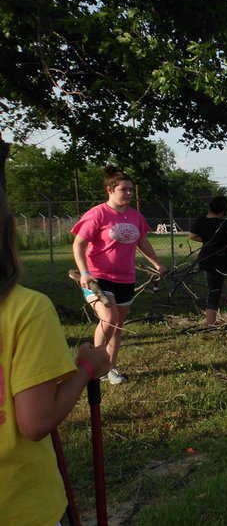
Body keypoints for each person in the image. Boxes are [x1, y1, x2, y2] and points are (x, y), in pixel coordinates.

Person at [1, 188, 111, 526]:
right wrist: (86, 368)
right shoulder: (26, 309)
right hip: (18, 504)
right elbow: (36, 422)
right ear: (11, 229)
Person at [71, 166, 168, 384]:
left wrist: (158, 265)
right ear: (110, 190)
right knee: (109, 318)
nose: (129, 193)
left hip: (126, 279)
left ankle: (109, 369)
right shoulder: (97, 214)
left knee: (117, 326)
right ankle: (93, 366)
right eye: (124, 189)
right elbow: (78, 244)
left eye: (131, 189)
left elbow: (143, 242)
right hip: (98, 278)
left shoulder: (135, 216)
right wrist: (84, 272)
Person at [189, 196, 227, 326]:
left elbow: (192, 236)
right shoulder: (223, 224)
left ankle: (211, 319)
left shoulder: (201, 221)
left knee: (212, 287)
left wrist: (206, 240)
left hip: (205, 258)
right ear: (223, 210)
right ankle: (211, 321)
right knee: (214, 290)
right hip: (219, 260)